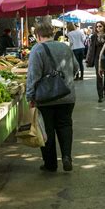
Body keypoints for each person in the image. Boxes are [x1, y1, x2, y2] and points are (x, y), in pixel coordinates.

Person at [25, 20, 79, 173]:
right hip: (67, 95)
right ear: (53, 33)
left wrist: (30, 97)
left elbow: (33, 76)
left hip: (45, 98)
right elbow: (75, 68)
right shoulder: (65, 47)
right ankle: (67, 157)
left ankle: (50, 164)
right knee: (65, 125)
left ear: (37, 35)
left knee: (46, 130)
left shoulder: (37, 50)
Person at [86, 21, 105, 102]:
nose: (98, 28)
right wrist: (89, 59)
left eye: (100, 26)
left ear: (104, 27)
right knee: (99, 76)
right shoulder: (93, 36)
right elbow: (91, 48)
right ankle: (100, 95)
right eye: (97, 26)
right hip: (97, 58)